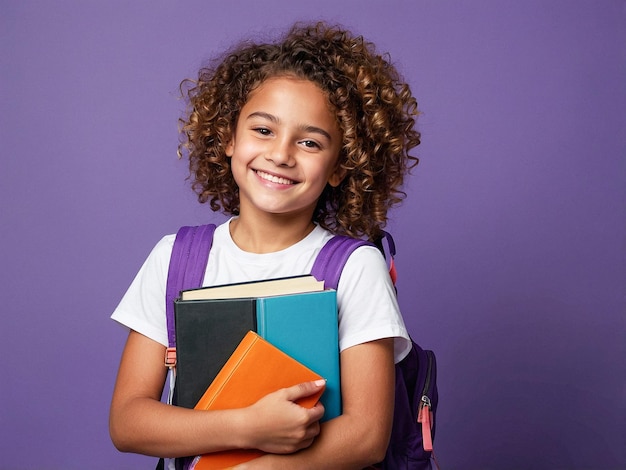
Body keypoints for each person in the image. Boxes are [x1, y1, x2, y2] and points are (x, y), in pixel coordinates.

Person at [110, 21, 421, 469]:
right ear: (229, 138)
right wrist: (246, 427)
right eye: (263, 130)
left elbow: (366, 436)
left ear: (339, 166)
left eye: (310, 141)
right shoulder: (175, 258)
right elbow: (127, 422)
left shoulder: (354, 267)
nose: (281, 154)